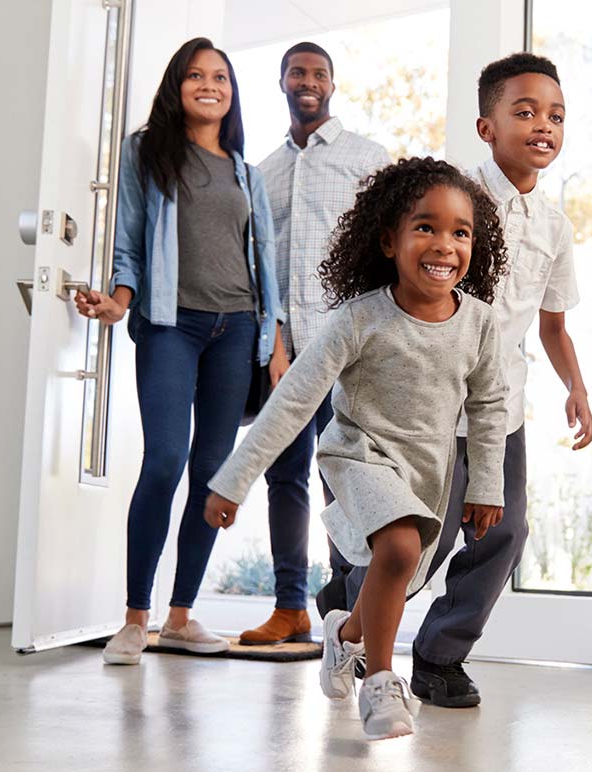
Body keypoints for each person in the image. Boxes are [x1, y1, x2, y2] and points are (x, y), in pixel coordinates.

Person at [324, 51, 592, 709]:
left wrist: (577, 387)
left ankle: (440, 658)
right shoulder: (454, 200)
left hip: (504, 410)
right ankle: (350, 611)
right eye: (524, 111)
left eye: (555, 115)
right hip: (427, 404)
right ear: (486, 126)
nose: (543, 125)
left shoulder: (555, 226)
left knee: (505, 532)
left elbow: (553, 324)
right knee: (419, 539)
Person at [203, 158, 509, 740]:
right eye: (425, 227)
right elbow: (294, 400)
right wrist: (234, 479)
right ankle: (382, 685)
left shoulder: (480, 325)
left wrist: (487, 483)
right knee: (396, 548)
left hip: (427, 471)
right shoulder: (358, 319)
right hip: (358, 456)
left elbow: (490, 405)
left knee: (395, 569)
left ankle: (344, 639)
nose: (444, 244)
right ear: (389, 240)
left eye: (460, 232)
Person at [73, 38, 288, 666]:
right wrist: (118, 301)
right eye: (196, 75)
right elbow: (129, 241)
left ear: (231, 91)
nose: (209, 85)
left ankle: (181, 616)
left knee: (214, 477)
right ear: (178, 85)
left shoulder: (245, 171)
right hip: (172, 323)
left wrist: (272, 342)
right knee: (164, 460)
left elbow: (265, 262)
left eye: (220, 76)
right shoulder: (146, 152)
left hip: (239, 330)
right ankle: (135, 618)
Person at [236, 42, 392, 647]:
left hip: (349, 347)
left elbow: (386, 250)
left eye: (319, 73)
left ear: (332, 84)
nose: (309, 81)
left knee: (349, 476)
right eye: (298, 72)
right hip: (287, 351)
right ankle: (290, 609)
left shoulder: (366, 157)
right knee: (286, 475)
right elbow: (260, 266)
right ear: (281, 82)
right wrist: (273, 341)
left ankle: (350, 606)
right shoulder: (262, 172)